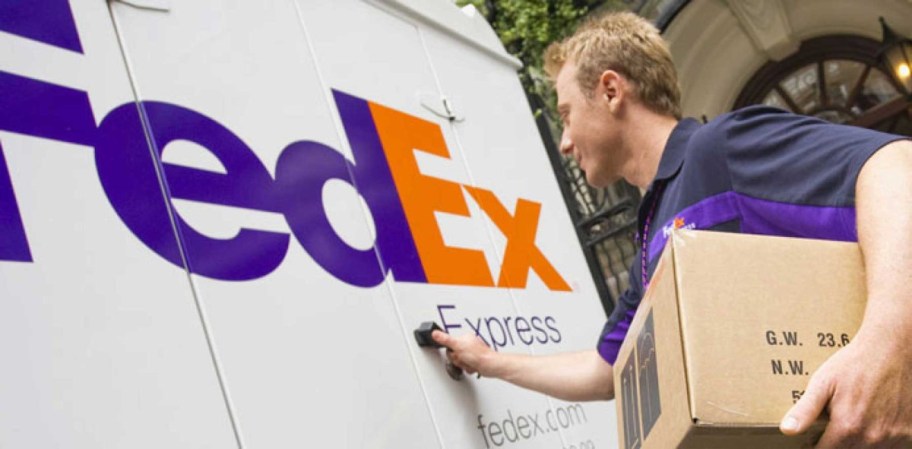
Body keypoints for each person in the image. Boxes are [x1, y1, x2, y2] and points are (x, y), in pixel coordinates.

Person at [432, 10, 912, 449]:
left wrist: (888, 345)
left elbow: (897, 166)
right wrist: (489, 362)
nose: (564, 142)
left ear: (611, 91)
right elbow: (606, 372)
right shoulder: (651, 231)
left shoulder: (716, 149)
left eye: (565, 114)